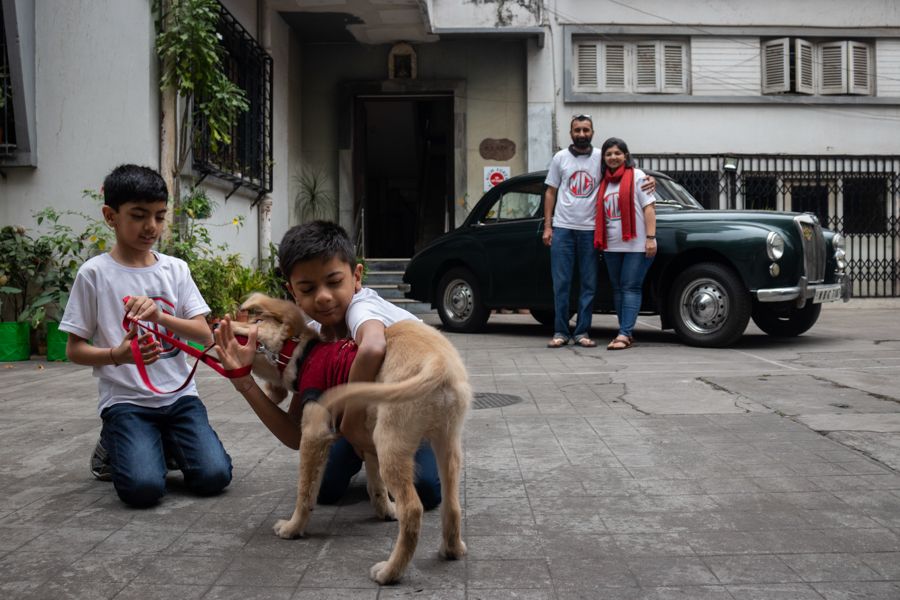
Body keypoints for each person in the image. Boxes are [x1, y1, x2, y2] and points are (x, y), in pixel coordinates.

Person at [215, 220, 442, 509]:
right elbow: (295, 435)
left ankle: (410, 447)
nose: (322, 297)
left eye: (334, 282)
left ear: (356, 276)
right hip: (364, 415)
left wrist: (350, 423)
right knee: (323, 488)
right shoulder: (313, 334)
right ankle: (364, 449)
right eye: (308, 289)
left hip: (413, 409)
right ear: (292, 291)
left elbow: (372, 347)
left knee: (425, 490)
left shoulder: (363, 308)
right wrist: (243, 380)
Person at [60, 164, 231, 507]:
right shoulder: (94, 274)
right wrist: (116, 356)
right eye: (138, 215)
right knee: (142, 490)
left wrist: (161, 316)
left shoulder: (175, 269)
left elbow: (203, 333)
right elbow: (74, 349)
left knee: (215, 477)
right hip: (126, 401)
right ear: (111, 216)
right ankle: (114, 444)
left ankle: (160, 442)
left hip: (181, 398)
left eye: (159, 216)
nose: (151, 227)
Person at [543, 115, 654, 348]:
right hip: (563, 228)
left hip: (592, 230)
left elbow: (625, 174)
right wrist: (548, 225)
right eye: (577, 130)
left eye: (586, 130)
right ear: (570, 132)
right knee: (561, 283)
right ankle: (560, 331)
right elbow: (550, 192)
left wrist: (650, 179)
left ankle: (582, 331)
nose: (581, 134)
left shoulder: (600, 158)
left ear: (593, 132)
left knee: (589, 285)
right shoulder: (559, 157)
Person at [594, 137, 657, 350]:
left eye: (617, 153)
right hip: (611, 245)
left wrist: (650, 238)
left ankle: (624, 333)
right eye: (609, 154)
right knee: (618, 289)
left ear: (626, 156)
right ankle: (625, 331)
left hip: (636, 245)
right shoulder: (603, 181)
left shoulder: (638, 177)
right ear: (604, 158)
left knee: (630, 287)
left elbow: (649, 208)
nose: (613, 157)